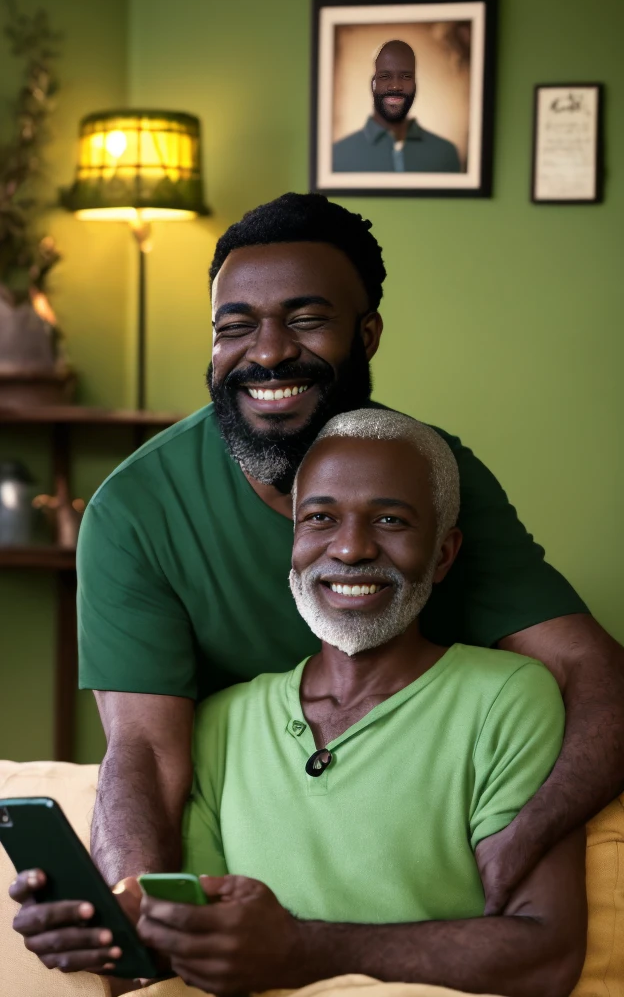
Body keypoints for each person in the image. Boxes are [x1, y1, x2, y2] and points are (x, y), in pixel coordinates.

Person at [74, 192, 622, 918]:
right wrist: (133, 914)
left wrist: (519, 842)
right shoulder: (136, 510)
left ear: (367, 336)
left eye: (306, 319)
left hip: (424, 845)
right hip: (250, 846)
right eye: (235, 326)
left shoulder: (435, 475)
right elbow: (143, 752)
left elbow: (594, 674)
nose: (268, 352)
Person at [11, 411, 587, 997]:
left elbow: (542, 955)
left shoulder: (507, 697)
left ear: (442, 555)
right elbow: (192, 952)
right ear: (294, 544)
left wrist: (301, 949)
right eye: (320, 519)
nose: (351, 548)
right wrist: (105, 933)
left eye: (390, 520)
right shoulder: (221, 722)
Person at [332, 40, 461, 173]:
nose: (395, 86)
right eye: (385, 76)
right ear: (373, 84)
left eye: (406, 76)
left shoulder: (445, 154)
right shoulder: (338, 155)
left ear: (415, 85)